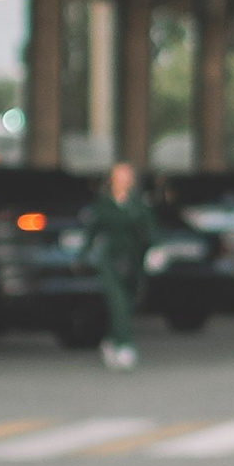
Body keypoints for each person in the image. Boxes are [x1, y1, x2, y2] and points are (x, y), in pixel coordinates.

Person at [80, 158, 158, 371]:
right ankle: (125, 346)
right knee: (118, 302)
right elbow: (92, 231)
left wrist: (156, 250)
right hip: (109, 258)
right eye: (119, 176)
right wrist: (82, 256)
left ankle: (112, 340)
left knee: (129, 301)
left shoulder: (139, 203)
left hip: (132, 258)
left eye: (126, 176)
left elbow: (150, 230)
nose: (123, 180)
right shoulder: (103, 203)